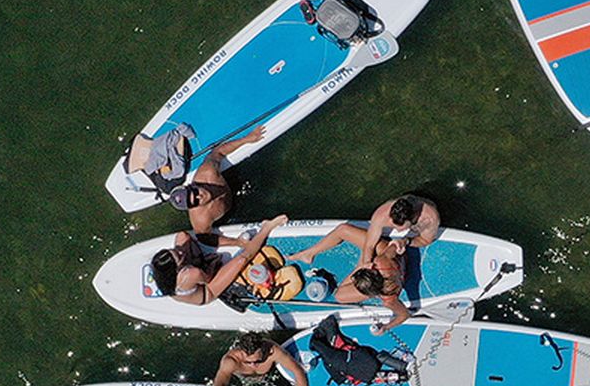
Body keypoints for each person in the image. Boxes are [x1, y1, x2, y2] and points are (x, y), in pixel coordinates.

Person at [121, 124, 263, 235]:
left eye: (194, 192)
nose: (199, 196)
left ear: (192, 185)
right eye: (195, 201)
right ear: (192, 207)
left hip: (233, 185)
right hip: (230, 213)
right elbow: (206, 239)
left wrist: (247, 139)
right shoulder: (201, 220)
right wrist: (237, 243)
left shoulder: (208, 174)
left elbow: (218, 152)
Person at [284, 223, 412, 333]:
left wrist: (386, 327)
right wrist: (401, 242)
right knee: (343, 230)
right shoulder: (382, 262)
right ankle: (308, 254)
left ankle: (359, 266)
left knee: (340, 296)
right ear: (372, 270)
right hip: (393, 263)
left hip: (390, 273)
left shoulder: (389, 299)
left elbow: (404, 314)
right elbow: (394, 245)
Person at [149, 214, 290, 308]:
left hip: (192, 273)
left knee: (182, 236)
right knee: (241, 259)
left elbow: (182, 238)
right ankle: (267, 228)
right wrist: (212, 264)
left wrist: (194, 258)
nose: (181, 251)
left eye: (175, 251)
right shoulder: (190, 274)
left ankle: (237, 243)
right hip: (207, 291)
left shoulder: (164, 272)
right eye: (179, 256)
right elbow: (209, 279)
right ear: (177, 269)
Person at [212, 333, 317, 386]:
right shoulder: (231, 361)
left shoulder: (273, 351)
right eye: (248, 362)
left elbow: (297, 370)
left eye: (258, 360)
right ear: (240, 352)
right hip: (245, 381)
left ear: (263, 349)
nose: (253, 365)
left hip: (271, 375)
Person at [357, 193, 442, 266]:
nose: (398, 231)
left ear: (414, 218)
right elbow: (369, 245)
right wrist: (366, 264)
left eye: (401, 228)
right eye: (393, 225)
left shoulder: (430, 219)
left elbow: (425, 240)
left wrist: (406, 241)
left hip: (427, 203)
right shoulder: (381, 214)